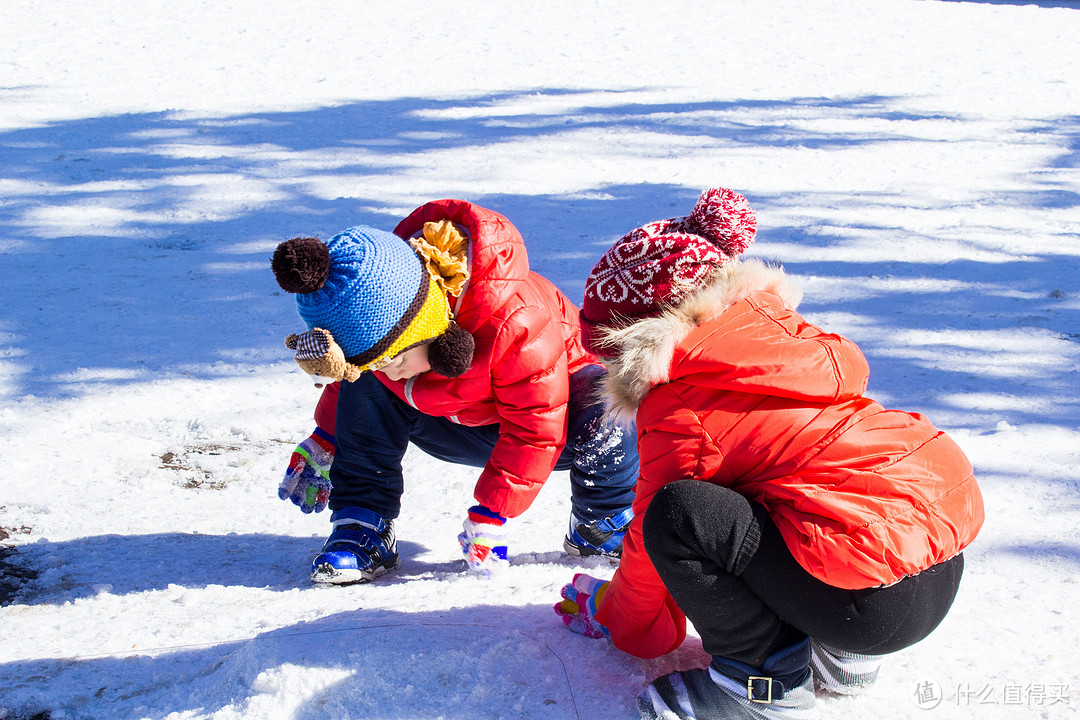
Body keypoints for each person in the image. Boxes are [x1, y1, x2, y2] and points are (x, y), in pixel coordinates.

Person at [553, 188, 984, 719]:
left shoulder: (680, 405)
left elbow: (651, 541)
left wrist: (620, 617)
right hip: (934, 571)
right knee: (796, 499)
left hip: (863, 605)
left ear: (633, 338)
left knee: (680, 514)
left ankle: (763, 686)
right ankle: (842, 662)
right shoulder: (785, 347)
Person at [271, 199, 638, 585]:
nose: (388, 372)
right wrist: (328, 438)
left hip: (555, 425)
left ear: (421, 326)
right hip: (451, 419)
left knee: (609, 401)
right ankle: (363, 522)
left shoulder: (518, 321)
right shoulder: (391, 353)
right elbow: (360, 377)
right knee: (367, 384)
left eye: (392, 358)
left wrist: (493, 513)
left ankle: (601, 517)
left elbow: (536, 428)